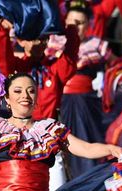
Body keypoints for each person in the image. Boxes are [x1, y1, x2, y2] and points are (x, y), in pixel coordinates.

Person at [47, 1, 115, 180]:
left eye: (81, 22)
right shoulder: (53, 42)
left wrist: (105, 85)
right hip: (57, 100)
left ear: (89, 24)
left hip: (85, 103)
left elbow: (116, 66)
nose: (76, 26)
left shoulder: (97, 45)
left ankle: (87, 185)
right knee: (57, 148)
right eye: (72, 22)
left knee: (87, 144)